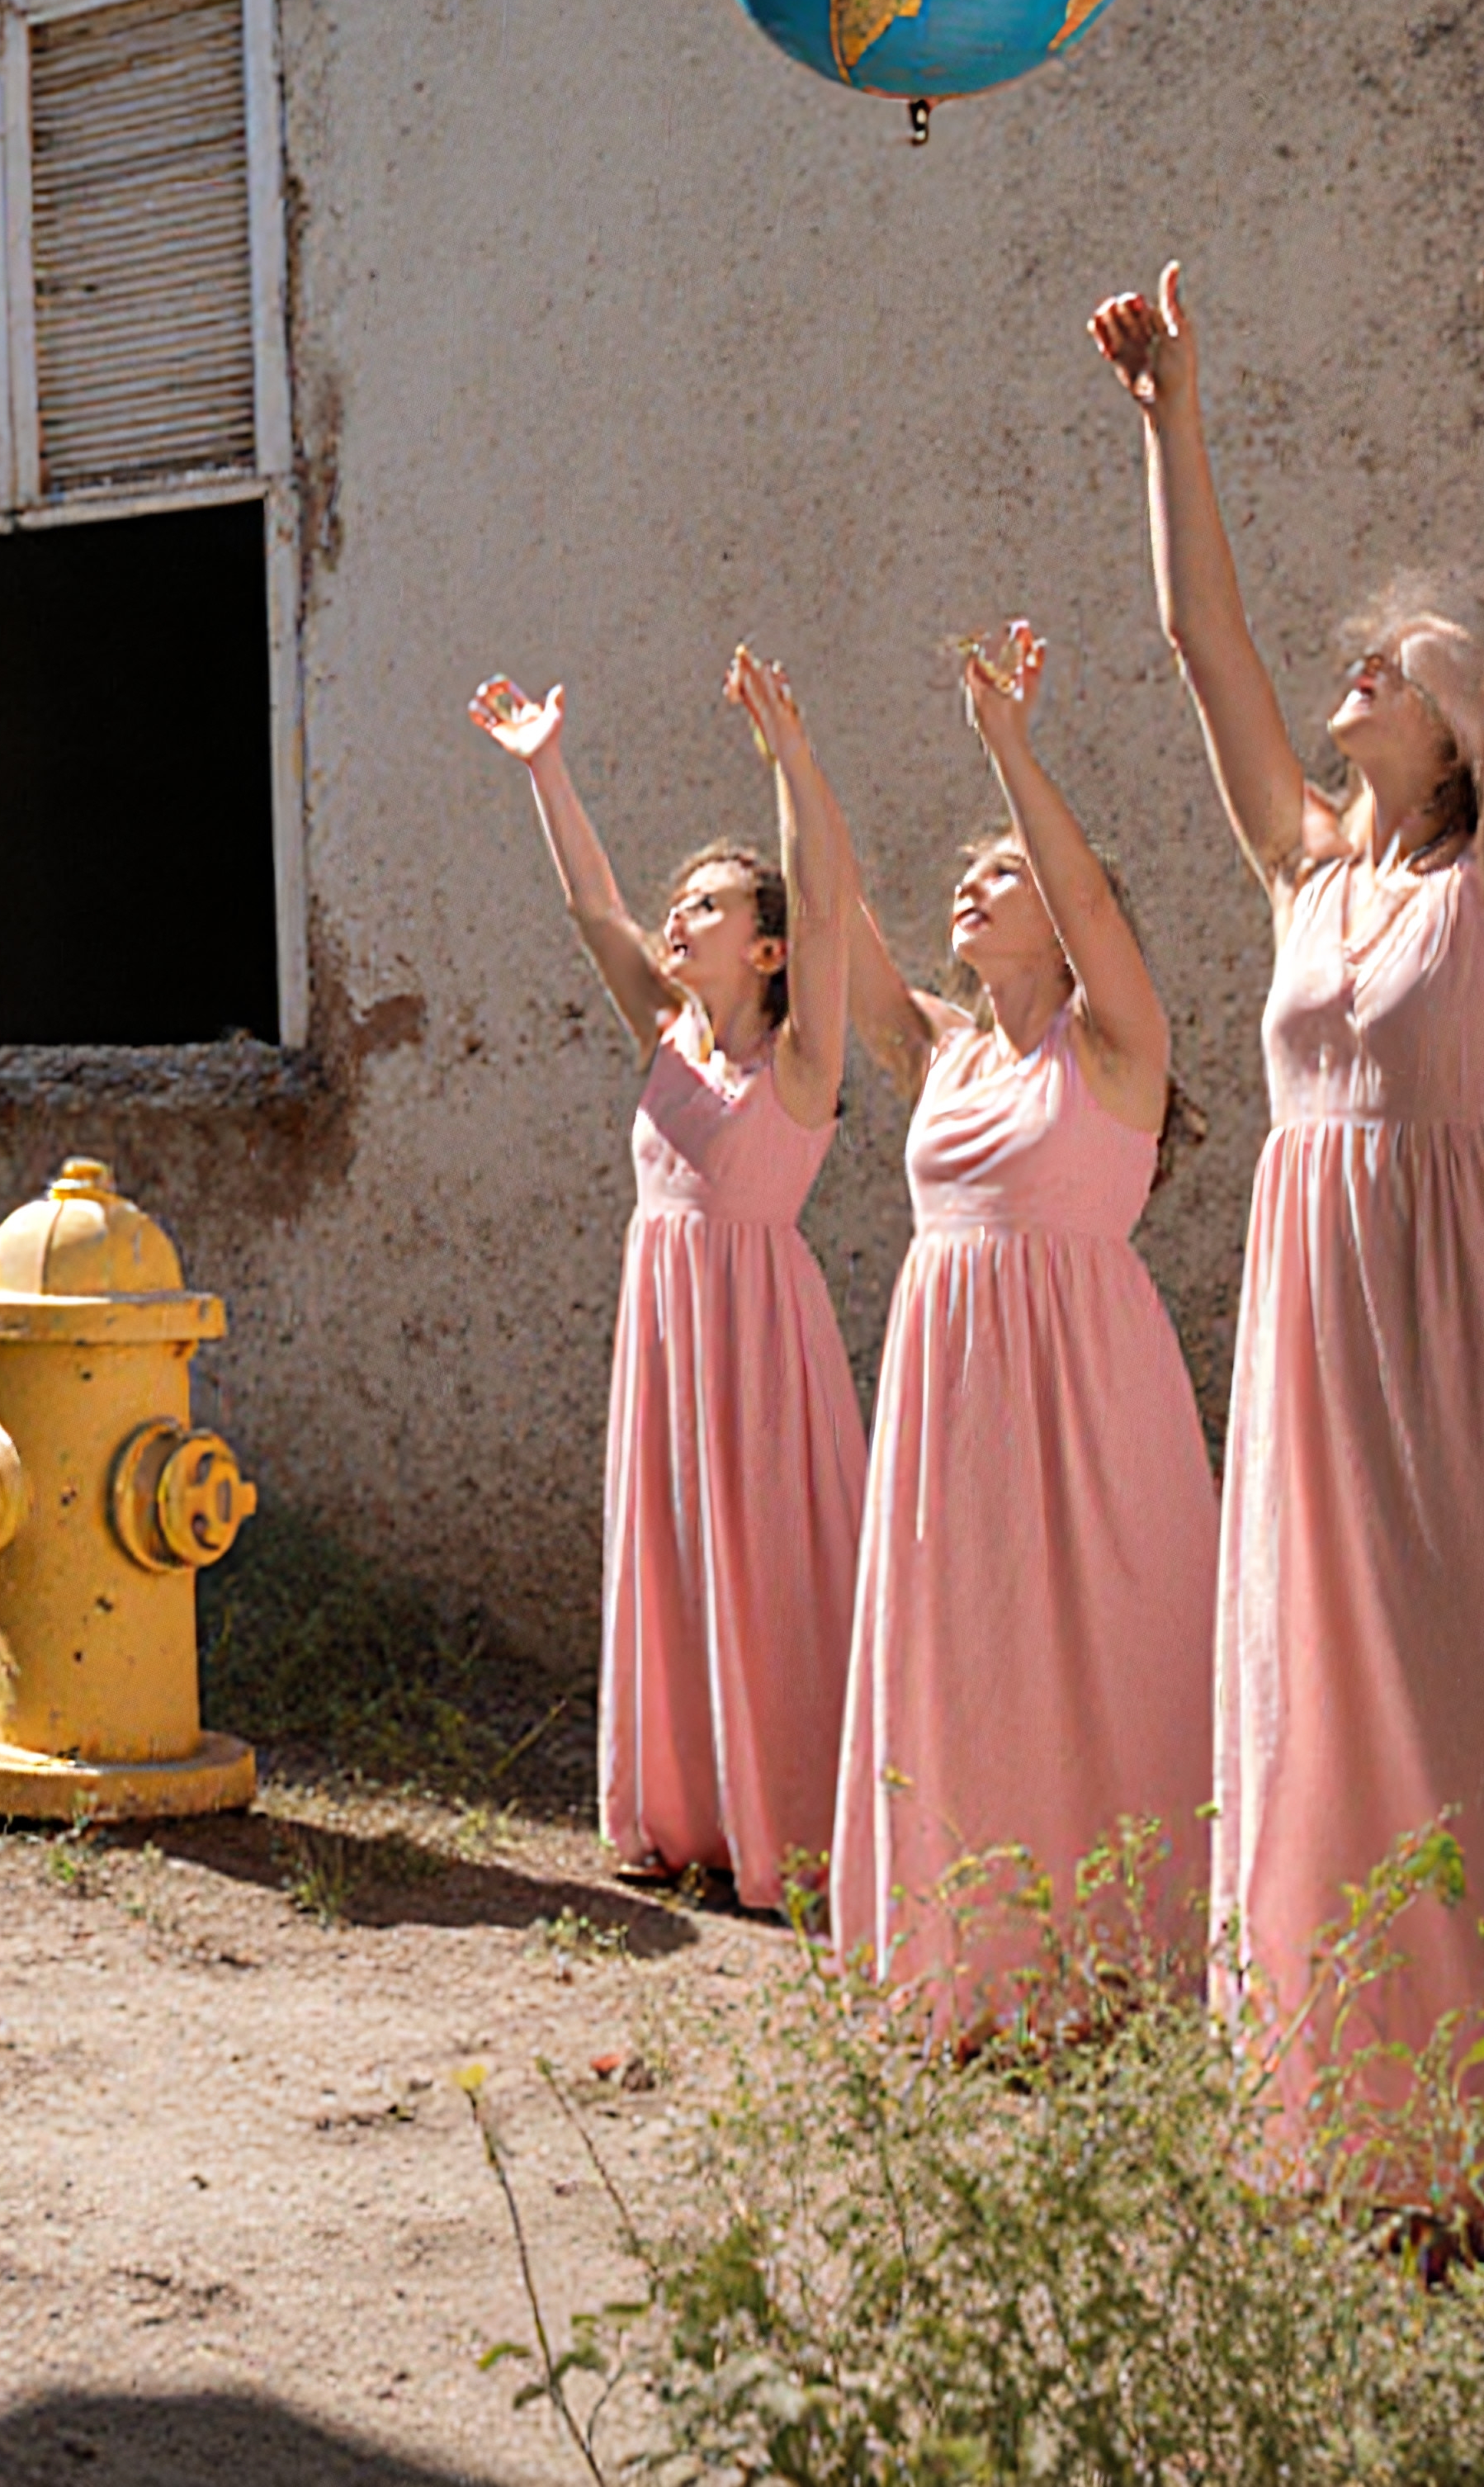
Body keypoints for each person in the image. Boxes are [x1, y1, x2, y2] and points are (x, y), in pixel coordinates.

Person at [1094, 249, 1484, 2207]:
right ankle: (1361, 2112)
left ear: (1462, 742)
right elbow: (1206, 645)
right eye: (1362, 651)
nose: (1366, 662)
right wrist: (1172, 419)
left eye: (1408, 661)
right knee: (1329, 1687)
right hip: (1316, 1317)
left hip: (1473, 1312)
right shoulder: (1304, 865)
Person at [809, 622, 1217, 2035]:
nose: (972, 890)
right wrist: (797, 762)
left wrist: (1008, 742)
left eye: (1006, 875)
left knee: (1105, 1652)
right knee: (968, 1655)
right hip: (950, 1386)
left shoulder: (1116, 1043)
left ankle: (1120, 1965)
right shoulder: (943, 1047)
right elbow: (835, 919)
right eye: (969, 875)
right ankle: (972, 1962)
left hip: (1088, 1386)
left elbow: (1094, 897)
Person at [464, 657, 859, 1906]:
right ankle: (685, 1815)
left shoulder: (801, 1061)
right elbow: (595, 909)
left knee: (767, 1570)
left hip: (758, 1340)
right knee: (678, 1561)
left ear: (770, 946)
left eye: (709, 906)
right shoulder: (669, 1034)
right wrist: (547, 769)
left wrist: (792, 760)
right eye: (679, 903)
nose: (678, 919)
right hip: (665, 1328)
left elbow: (838, 912)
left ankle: (787, 1825)